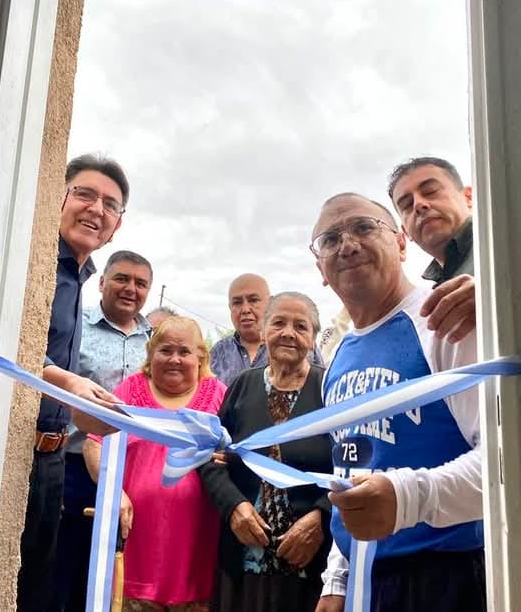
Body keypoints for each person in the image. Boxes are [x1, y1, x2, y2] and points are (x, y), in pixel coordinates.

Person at [310, 193, 484, 612]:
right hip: (365, 581)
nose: (347, 245)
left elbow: (504, 463)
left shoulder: (446, 319)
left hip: (447, 575)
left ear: (402, 242)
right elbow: (348, 473)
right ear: (320, 269)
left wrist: (409, 499)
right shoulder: (336, 358)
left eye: (364, 227)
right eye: (330, 239)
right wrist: (337, 577)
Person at [18, 154, 130, 612]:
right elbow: (9, 344)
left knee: (36, 591)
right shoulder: (34, 263)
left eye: (110, 205)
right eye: (84, 194)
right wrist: (69, 383)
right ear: (58, 197)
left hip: (52, 459)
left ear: (117, 225)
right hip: (15, 453)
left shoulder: (76, 278)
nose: (96, 209)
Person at [200, 292, 333, 612]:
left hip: (309, 565)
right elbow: (210, 457)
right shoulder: (242, 386)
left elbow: (353, 464)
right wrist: (234, 507)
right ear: (263, 332)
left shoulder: (328, 389)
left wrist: (322, 517)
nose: (288, 333)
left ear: (313, 338)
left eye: (300, 326)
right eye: (279, 323)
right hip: (244, 563)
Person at [83, 317, 227, 611]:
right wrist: (113, 492)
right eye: (165, 350)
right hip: (136, 552)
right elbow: (94, 444)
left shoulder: (219, 395)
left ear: (200, 358)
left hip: (198, 556)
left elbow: (238, 452)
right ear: (151, 354)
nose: (174, 359)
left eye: (184, 352)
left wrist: (229, 459)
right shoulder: (129, 391)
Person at [51, 250, 154, 611]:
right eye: (122, 279)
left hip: (133, 474)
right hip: (75, 467)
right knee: (66, 568)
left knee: (115, 573)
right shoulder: (77, 326)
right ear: (102, 282)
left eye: (141, 283)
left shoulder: (156, 342)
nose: (131, 289)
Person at [388, 156, 475, 343]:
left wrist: (498, 292)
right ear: (406, 232)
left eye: (431, 191)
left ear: (469, 197)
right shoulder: (429, 298)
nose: (418, 205)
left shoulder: (507, 239)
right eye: (406, 205)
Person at [210, 274, 271, 385]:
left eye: (253, 300)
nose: (245, 309)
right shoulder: (218, 353)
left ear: (270, 303)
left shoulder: (288, 348)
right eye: (237, 302)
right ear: (230, 307)